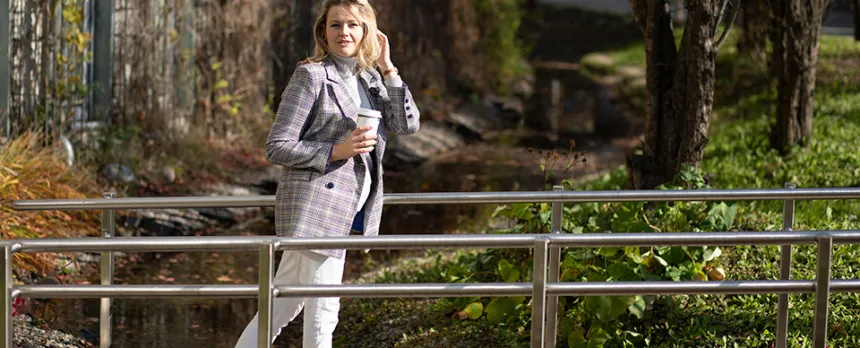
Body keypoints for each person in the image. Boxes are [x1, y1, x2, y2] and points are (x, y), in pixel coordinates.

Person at [234, 0, 420, 347]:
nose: (343, 33)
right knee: (323, 311)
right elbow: (277, 146)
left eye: (352, 25)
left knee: (283, 304)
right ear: (323, 31)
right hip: (317, 208)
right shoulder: (312, 75)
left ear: (368, 32)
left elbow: (407, 124)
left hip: (349, 207)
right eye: (335, 25)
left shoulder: (370, 78)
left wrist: (389, 67)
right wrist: (337, 150)